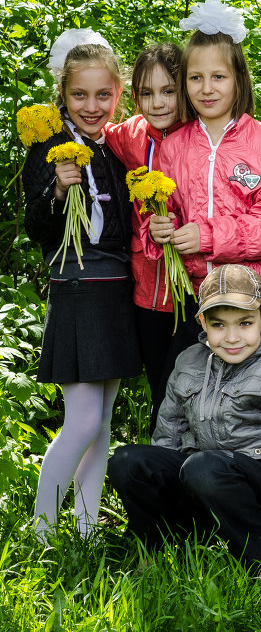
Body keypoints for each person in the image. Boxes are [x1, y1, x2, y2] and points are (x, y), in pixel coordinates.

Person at [107, 264, 261, 588]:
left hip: (257, 490)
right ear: (202, 323)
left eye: (245, 323)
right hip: (202, 482)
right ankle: (156, 550)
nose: (232, 337)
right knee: (128, 461)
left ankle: (256, 556)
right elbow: (167, 439)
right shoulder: (189, 361)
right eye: (219, 325)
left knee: (203, 467)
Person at [24, 31, 138, 538]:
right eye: (79, 95)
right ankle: (43, 526)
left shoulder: (112, 149)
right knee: (84, 417)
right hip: (78, 285)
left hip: (116, 289)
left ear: (118, 93)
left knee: (104, 418)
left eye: (103, 94)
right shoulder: (50, 148)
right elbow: (36, 225)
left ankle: (87, 527)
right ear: (62, 96)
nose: (92, 106)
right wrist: (57, 189)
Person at [145, 0, 261, 377]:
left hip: (252, 295)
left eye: (219, 77)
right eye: (196, 78)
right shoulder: (174, 146)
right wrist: (160, 228)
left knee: (252, 392)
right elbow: (166, 211)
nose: (207, 88)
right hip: (194, 295)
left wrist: (207, 236)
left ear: (239, 79)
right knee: (185, 389)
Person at [103, 42, 186, 427]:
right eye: (146, 93)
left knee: (188, 387)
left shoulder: (198, 137)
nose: (157, 103)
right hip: (146, 291)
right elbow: (91, 127)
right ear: (134, 96)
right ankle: (162, 472)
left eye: (168, 90)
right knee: (160, 387)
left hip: (189, 288)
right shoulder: (129, 135)